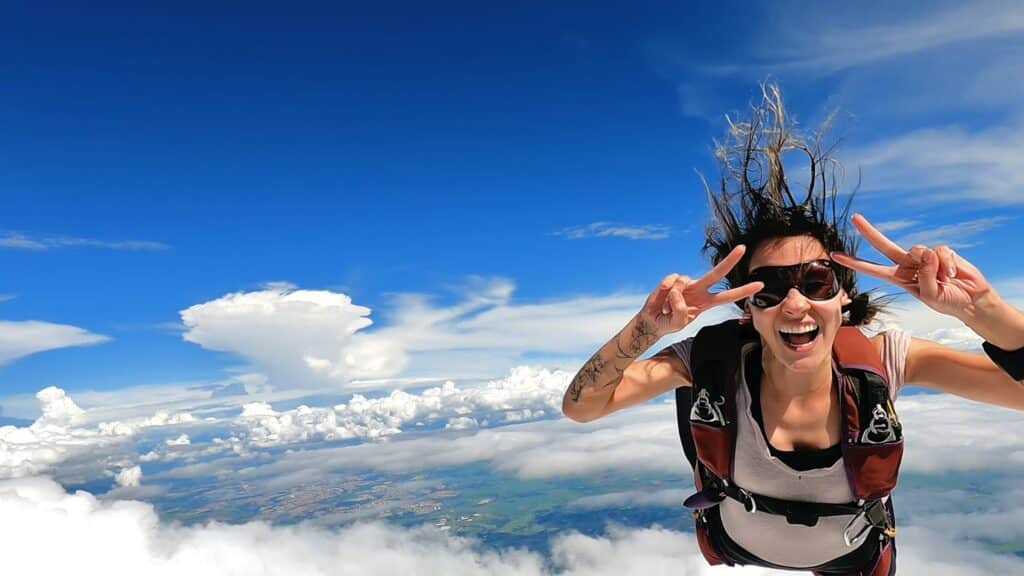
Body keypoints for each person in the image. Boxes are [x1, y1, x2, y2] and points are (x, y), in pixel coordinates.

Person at [561, 85, 1024, 575]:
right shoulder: (710, 362)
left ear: (843, 297)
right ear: (748, 310)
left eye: (816, 281)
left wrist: (984, 311)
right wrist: (645, 329)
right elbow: (581, 407)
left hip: (852, 558)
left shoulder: (886, 358)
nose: (795, 303)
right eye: (768, 288)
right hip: (739, 545)